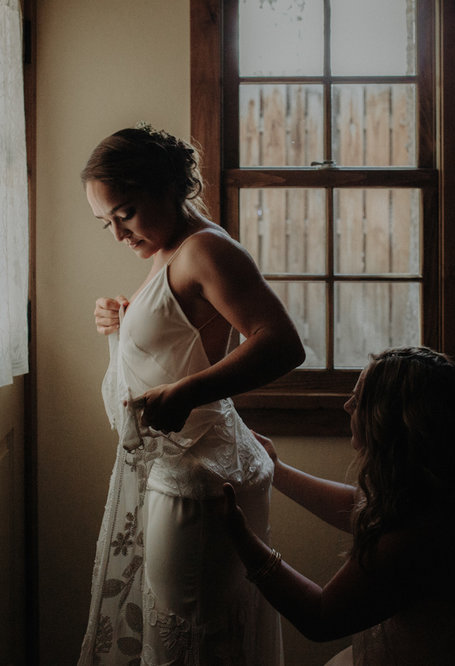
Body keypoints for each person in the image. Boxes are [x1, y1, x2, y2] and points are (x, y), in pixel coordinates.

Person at [77, 123, 304, 666]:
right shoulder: (172, 249)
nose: (117, 233)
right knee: (193, 629)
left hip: (198, 477)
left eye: (125, 212)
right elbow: (180, 333)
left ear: (168, 187)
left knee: (191, 634)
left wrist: (185, 391)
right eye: (105, 221)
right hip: (186, 467)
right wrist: (122, 316)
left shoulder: (204, 250)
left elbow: (282, 344)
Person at [223, 347, 455, 665]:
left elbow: (321, 617)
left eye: (360, 399)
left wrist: (244, 540)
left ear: (391, 421)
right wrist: (278, 471)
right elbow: (364, 507)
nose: (347, 405)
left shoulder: (425, 529)